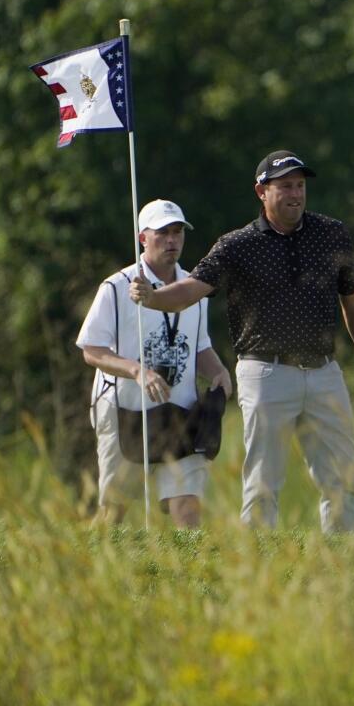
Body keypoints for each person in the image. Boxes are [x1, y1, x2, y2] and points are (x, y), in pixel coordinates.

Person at [129, 150, 354, 533]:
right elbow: (190, 290)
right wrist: (153, 298)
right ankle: (260, 566)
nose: (295, 194)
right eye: (285, 186)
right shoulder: (238, 245)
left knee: (341, 479)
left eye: (300, 186)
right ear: (261, 192)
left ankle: (342, 562)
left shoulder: (331, 234)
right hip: (266, 373)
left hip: (323, 372)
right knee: (263, 484)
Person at [77, 199, 233, 528]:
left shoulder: (194, 286)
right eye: (162, 233)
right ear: (142, 238)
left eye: (177, 232)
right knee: (114, 512)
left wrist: (218, 372)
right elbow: (91, 349)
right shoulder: (117, 287)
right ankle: (89, 571)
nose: (172, 240)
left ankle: (192, 577)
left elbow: (199, 345)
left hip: (180, 411)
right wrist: (136, 371)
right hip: (126, 409)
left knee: (187, 507)